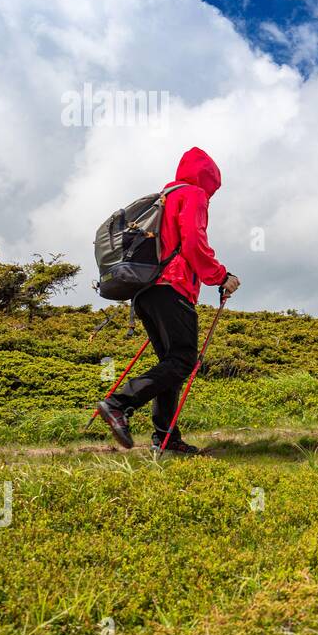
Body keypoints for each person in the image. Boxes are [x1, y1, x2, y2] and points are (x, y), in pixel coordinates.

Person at [97, 148, 239, 454]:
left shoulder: (164, 196)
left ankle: (167, 437)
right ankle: (119, 404)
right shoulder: (194, 195)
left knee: (171, 363)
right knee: (183, 360)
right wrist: (220, 276)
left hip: (146, 289)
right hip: (172, 287)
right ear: (210, 179)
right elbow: (193, 242)